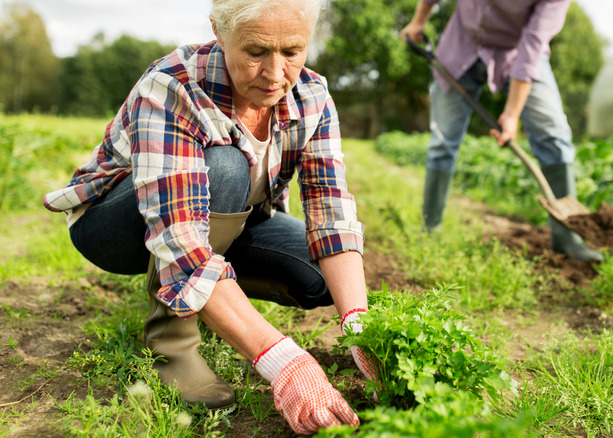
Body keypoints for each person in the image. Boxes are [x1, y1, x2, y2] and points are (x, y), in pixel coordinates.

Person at [42, 0, 374, 434]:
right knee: (225, 167)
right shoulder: (173, 86)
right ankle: (173, 340)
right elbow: (180, 238)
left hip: (228, 220)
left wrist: (360, 327)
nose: (275, 75)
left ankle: (216, 298)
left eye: (291, 52)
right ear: (219, 31)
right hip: (118, 225)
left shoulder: (312, 95)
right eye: (256, 52)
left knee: (317, 275)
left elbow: (330, 212)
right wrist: (284, 361)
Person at [401, 0, 603, 261]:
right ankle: (430, 233)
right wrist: (419, 20)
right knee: (443, 141)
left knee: (553, 133)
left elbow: (533, 44)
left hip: (519, 50)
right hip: (462, 44)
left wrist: (512, 113)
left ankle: (567, 238)